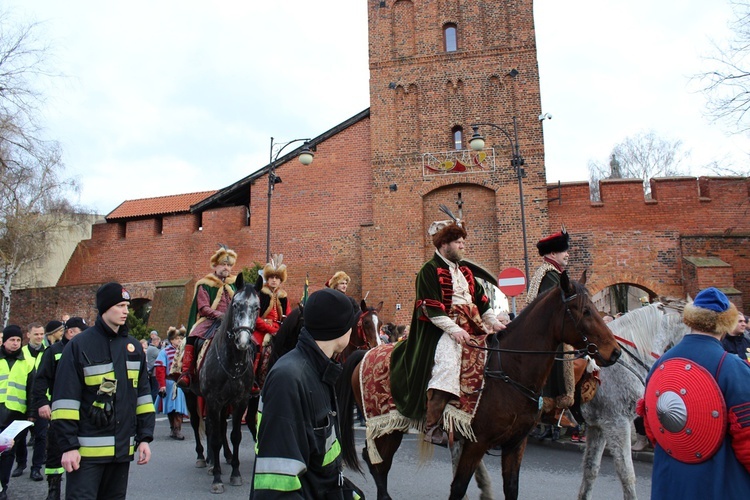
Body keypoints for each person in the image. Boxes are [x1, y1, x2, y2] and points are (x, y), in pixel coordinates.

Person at [389, 215, 506, 445]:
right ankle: (432, 427)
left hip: (473, 325)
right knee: (448, 362)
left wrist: (494, 323)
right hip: (441, 330)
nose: (463, 245)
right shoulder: (428, 270)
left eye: (463, 241)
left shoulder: (466, 272)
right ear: (444, 244)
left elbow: (482, 302)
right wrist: (454, 331)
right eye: (458, 241)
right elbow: (430, 309)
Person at [637, 287, 750, 498]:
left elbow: (653, 429)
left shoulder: (659, 364)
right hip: (720, 486)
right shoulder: (732, 368)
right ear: (725, 323)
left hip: (669, 484)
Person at [251, 288, 360, 499]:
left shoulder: (319, 371)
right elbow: (277, 489)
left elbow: (321, 467)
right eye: (352, 324)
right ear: (340, 329)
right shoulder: (288, 379)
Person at [51, 282, 155, 499]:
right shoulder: (79, 345)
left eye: (127, 305)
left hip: (121, 453)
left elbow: (143, 397)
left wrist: (145, 438)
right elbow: (65, 401)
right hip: (86, 455)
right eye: (119, 305)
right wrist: (68, 446)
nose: (126, 310)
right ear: (105, 308)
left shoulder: (134, 348)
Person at [32, 316, 87, 500]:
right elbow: (41, 379)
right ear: (71, 332)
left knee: (80, 449)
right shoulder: (54, 351)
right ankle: (53, 488)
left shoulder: (84, 350)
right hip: (58, 409)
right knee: (56, 449)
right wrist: (42, 403)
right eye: (82, 332)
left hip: (81, 410)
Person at [527, 228, 575, 440]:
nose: (568, 254)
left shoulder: (548, 273)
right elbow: (556, 309)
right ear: (553, 254)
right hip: (550, 339)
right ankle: (555, 411)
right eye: (564, 251)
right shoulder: (551, 275)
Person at [177, 245, 238, 388]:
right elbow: (203, 308)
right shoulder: (205, 284)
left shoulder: (235, 285)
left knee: (249, 340)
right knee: (193, 337)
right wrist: (220, 315)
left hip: (231, 322)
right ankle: (187, 373)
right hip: (210, 321)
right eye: (223, 264)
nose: (226, 268)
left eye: (229, 265)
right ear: (215, 265)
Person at [0, 325, 35, 500]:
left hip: (15, 416)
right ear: (4, 341)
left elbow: (32, 390)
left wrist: (31, 413)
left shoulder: (27, 363)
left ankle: (2, 487)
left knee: (7, 453)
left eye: (18, 340)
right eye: (11, 340)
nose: (15, 343)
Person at [12, 322, 47, 482]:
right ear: (28, 335)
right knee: (20, 437)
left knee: (41, 436)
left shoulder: (47, 353)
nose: (39, 337)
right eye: (36, 334)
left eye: (41, 334)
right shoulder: (21, 353)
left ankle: (36, 468)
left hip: (42, 401)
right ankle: (21, 463)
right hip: (21, 402)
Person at [154, 326, 188, 440]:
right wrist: (162, 385)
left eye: (181, 338)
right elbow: (160, 369)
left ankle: (177, 429)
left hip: (180, 383)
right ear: (171, 340)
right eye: (177, 338)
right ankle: (173, 428)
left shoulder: (184, 351)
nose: (179, 340)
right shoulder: (164, 352)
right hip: (169, 383)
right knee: (170, 408)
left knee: (178, 408)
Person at [252, 255, 291, 349]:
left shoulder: (284, 297)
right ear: (267, 279)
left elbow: (289, 317)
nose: (274, 280)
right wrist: (270, 329)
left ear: (280, 281)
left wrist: (283, 330)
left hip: (279, 329)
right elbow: (255, 318)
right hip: (262, 329)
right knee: (256, 346)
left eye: (277, 278)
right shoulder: (259, 295)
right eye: (271, 277)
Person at [146, 331, 161, 402]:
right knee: (155, 389)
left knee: (152, 388)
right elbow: (161, 356)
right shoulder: (154, 349)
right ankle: (153, 403)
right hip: (154, 373)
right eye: (159, 342)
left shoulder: (149, 348)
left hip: (150, 372)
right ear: (156, 341)